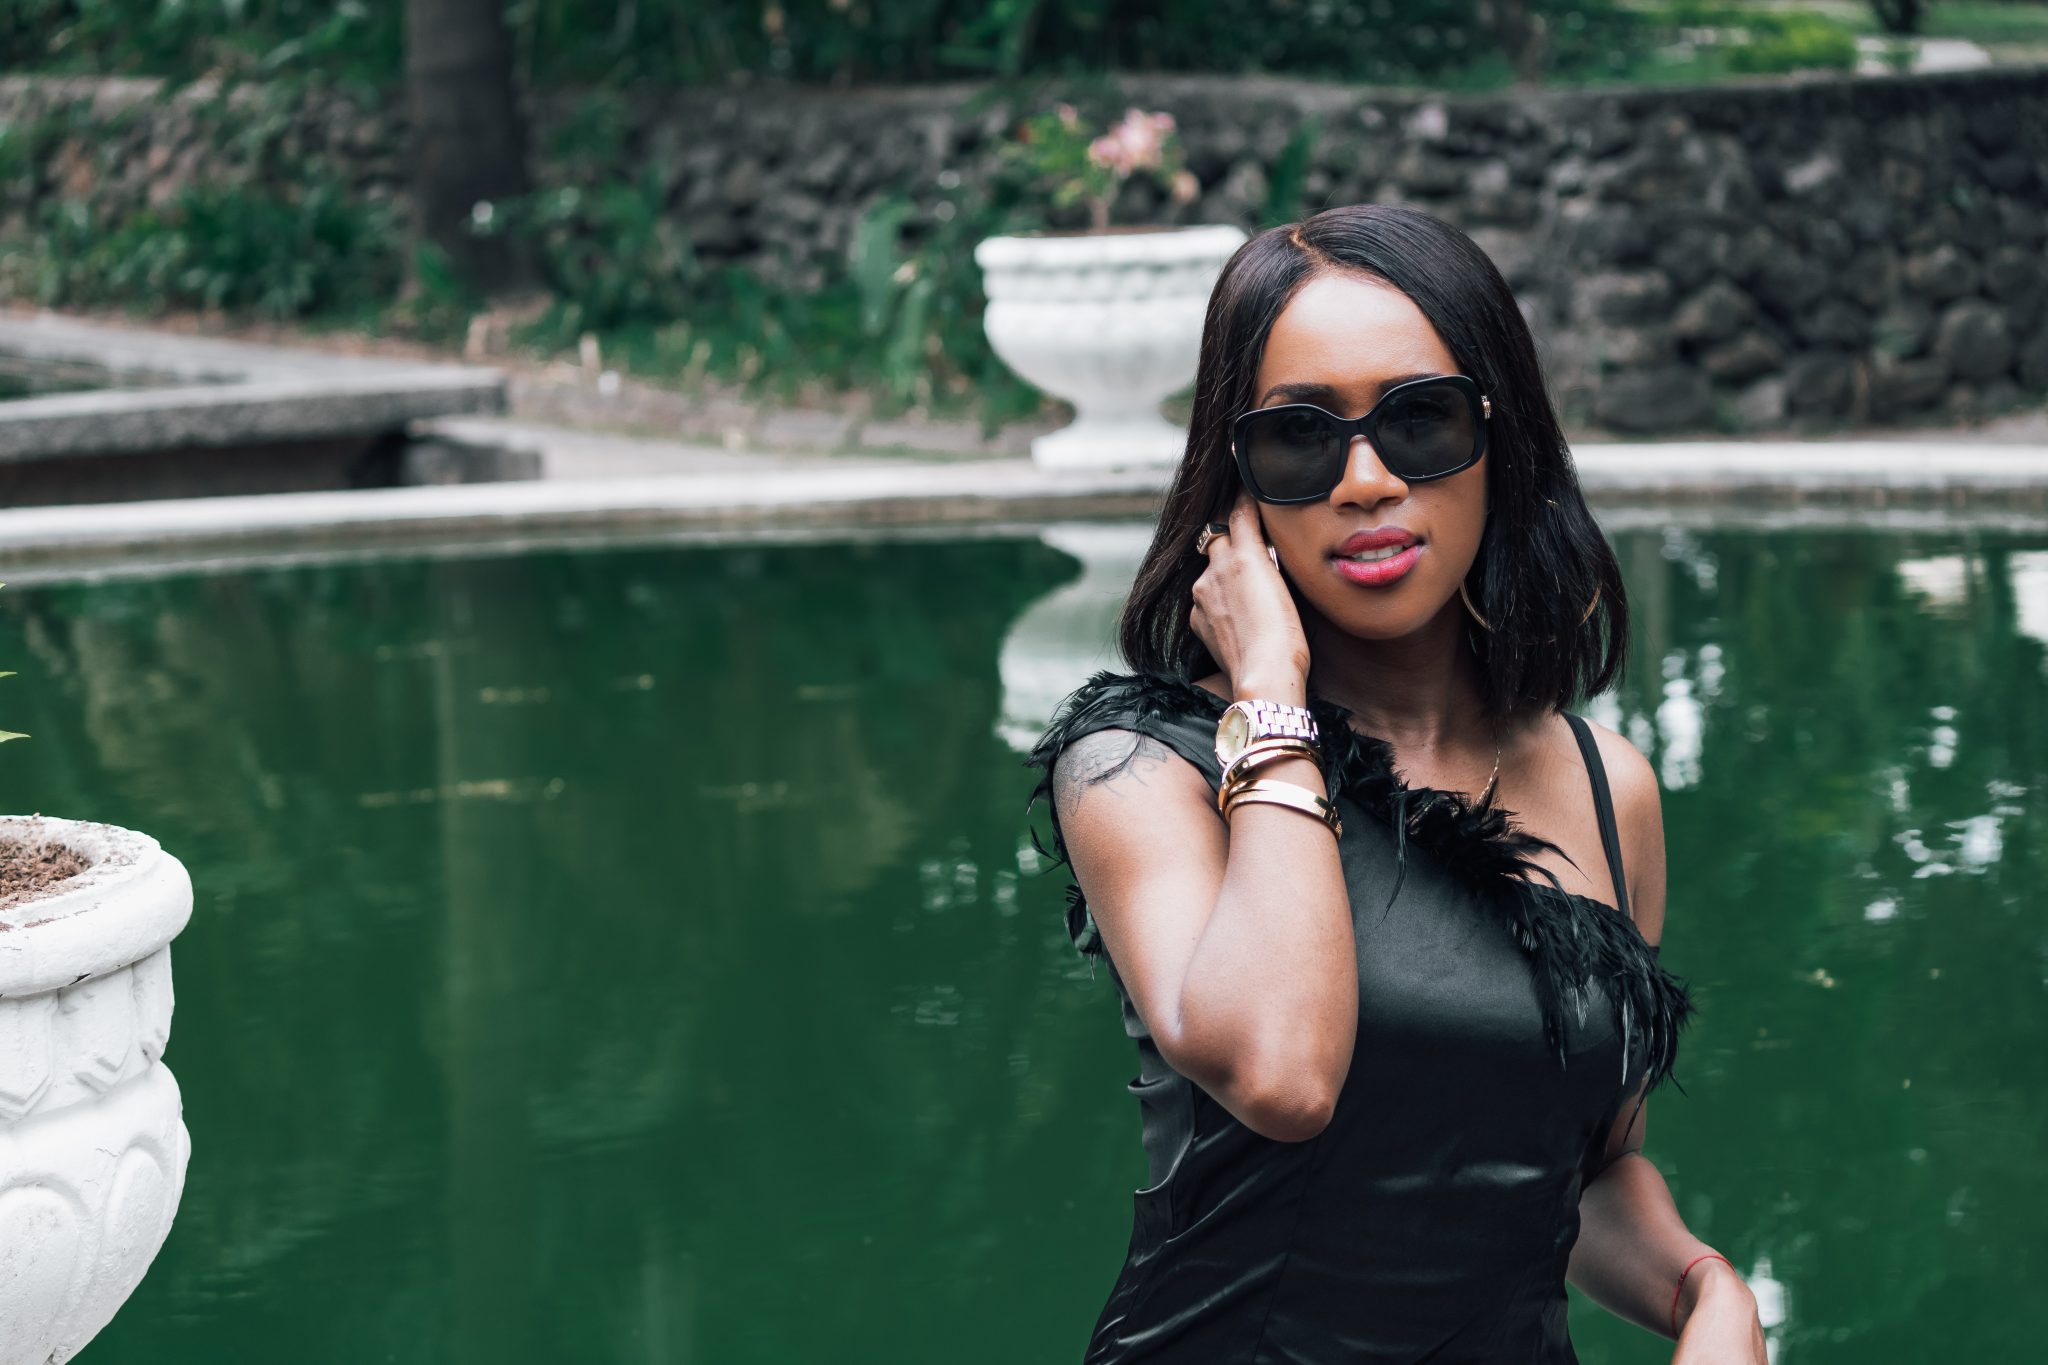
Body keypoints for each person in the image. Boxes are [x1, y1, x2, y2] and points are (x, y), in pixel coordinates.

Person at [1021, 204, 1769, 1364]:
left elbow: (1582, 1167)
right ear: (1236, 483)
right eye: (1299, 438)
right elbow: (1282, 1074)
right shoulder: (1144, 766)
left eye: (1419, 421)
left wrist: (1701, 1289)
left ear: (1500, 437)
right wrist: (1269, 692)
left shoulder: (1601, 785)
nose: (1365, 479)